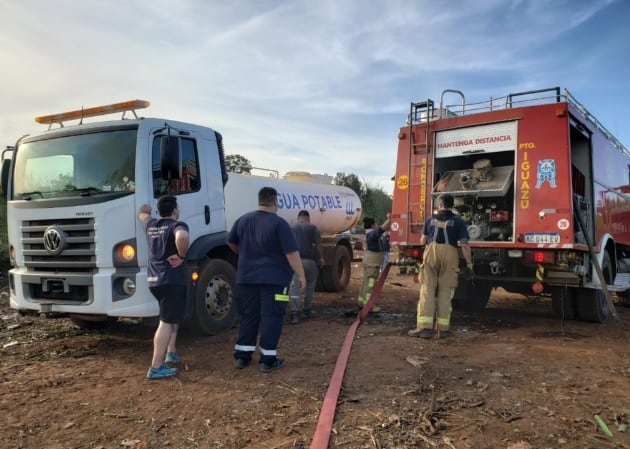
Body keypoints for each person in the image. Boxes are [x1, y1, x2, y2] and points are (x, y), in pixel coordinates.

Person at [228, 187, 306, 373]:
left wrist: (246, 255)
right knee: (273, 317)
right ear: (275, 201)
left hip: (246, 279)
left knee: (249, 315)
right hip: (275, 281)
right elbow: (291, 253)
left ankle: (242, 357)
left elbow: (231, 243)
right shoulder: (280, 224)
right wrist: (301, 275)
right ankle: (267, 360)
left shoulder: (242, 220)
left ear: (259, 200)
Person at [138, 196, 190, 379]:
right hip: (171, 279)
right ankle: (156, 366)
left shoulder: (151, 224)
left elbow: (142, 216)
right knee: (166, 322)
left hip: (154, 280)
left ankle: (171, 352)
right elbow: (182, 237)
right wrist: (181, 256)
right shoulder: (177, 225)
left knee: (170, 315)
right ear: (175, 210)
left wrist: (144, 211)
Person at [408, 193, 472, 339]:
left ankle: (424, 328)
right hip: (450, 254)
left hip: (431, 253)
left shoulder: (430, 220)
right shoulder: (459, 222)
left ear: (440, 204)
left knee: (427, 291)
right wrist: (469, 264)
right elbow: (464, 245)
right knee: (445, 293)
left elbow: (423, 241)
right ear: (452, 205)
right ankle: (443, 330)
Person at [288, 210, 324, 324]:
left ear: (299, 218)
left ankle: (294, 313)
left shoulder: (292, 227)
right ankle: (306, 310)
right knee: (310, 285)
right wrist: (321, 258)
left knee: (294, 287)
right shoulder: (313, 228)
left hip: (296, 262)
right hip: (310, 262)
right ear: (308, 218)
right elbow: (318, 244)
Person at [357, 213, 391, 312]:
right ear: (372, 225)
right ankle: (369, 306)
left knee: (365, 283)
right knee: (370, 284)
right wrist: (389, 220)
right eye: (375, 224)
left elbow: (381, 233)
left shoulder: (369, 234)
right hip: (372, 263)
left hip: (370, 261)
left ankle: (362, 303)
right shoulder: (371, 234)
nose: (376, 225)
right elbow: (379, 231)